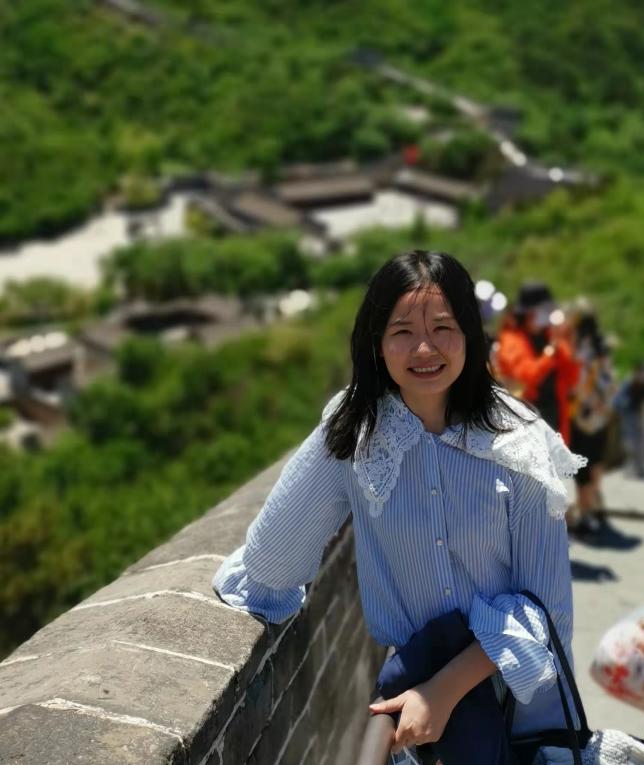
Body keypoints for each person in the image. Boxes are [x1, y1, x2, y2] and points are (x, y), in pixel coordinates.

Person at [212, 250, 586, 763]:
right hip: (416, 724)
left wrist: (442, 691)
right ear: (377, 343)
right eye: (402, 331)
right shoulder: (356, 431)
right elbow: (273, 560)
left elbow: (548, 611)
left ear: (470, 333)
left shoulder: (519, 441)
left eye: (443, 327)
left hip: (519, 717)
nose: (424, 348)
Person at [496, 282, 580, 445]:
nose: (548, 313)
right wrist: (550, 354)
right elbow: (527, 376)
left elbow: (572, 378)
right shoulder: (511, 340)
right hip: (525, 428)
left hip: (556, 424)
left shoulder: (551, 337)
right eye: (544, 309)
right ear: (529, 313)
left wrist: (567, 341)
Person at [567, 304, 615, 538]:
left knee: (581, 464)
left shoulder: (577, 346)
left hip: (580, 413)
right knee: (595, 460)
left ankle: (585, 511)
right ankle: (594, 503)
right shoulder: (602, 346)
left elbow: (575, 381)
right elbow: (609, 381)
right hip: (601, 414)